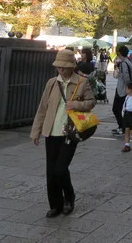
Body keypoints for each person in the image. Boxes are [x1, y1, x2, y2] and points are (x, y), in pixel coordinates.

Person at [31, 49, 96, 218]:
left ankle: (69, 197)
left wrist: (76, 105)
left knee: (60, 169)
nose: (61, 69)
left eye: (64, 67)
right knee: (51, 171)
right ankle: (55, 205)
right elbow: (42, 108)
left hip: (69, 132)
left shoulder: (81, 82)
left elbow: (91, 102)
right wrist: (36, 131)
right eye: (59, 66)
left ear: (72, 67)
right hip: (51, 131)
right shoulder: (52, 83)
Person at [112, 46, 132, 136]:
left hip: (122, 90)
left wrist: (128, 87)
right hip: (124, 89)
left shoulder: (124, 63)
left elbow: (125, 76)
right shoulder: (128, 62)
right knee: (120, 109)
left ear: (120, 53)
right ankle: (121, 126)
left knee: (117, 109)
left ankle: (122, 128)